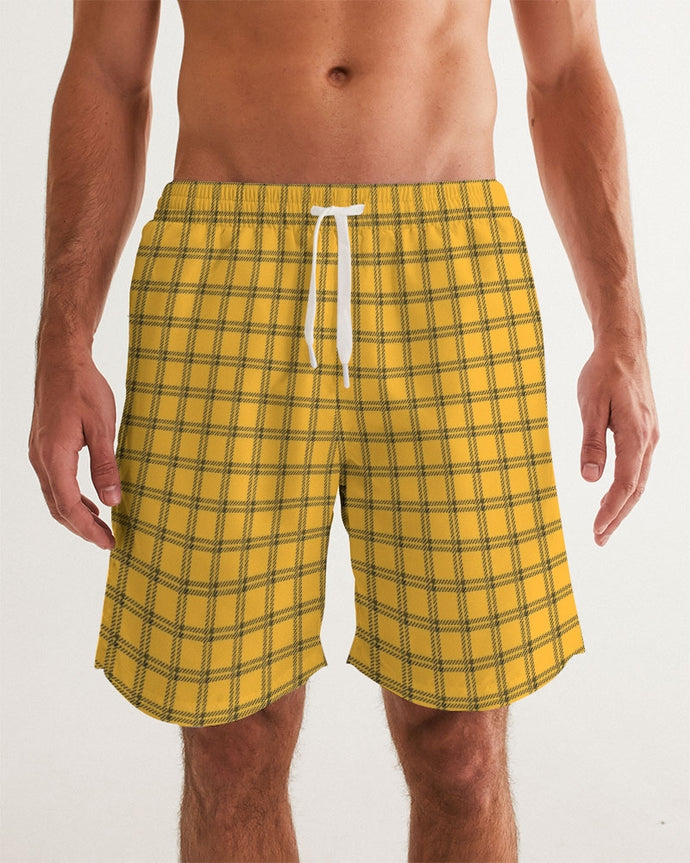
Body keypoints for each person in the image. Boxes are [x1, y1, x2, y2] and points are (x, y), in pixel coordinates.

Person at [28, 1, 659, 861]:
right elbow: (106, 72)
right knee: (229, 743)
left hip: (451, 261)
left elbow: (567, 67)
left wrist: (622, 329)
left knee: (463, 746)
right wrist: (63, 340)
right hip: (222, 260)